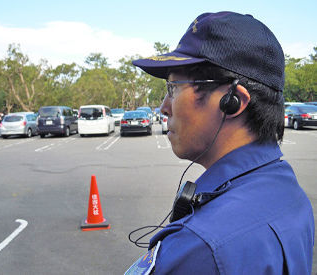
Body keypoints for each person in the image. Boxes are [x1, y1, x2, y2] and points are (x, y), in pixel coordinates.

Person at [126, 11, 314, 274]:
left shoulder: (200, 247)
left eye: (173, 88)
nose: (163, 108)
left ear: (232, 101)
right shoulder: (286, 188)